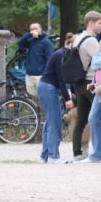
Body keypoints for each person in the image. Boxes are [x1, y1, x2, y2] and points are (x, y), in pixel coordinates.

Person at [70, 11, 101, 159]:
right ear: (91, 22)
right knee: (98, 117)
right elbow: (100, 61)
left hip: (79, 81)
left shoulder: (78, 38)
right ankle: (100, 150)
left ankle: (77, 152)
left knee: (82, 119)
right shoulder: (91, 40)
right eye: (100, 23)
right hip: (90, 82)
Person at [37, 35, 76, 163]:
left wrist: (68, 91)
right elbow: (61, 78)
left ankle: (45, 155)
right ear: (70, 44)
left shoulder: (62, 54)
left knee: (50, 122)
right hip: (48, 88)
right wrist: (67, 98)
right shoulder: (61, 55)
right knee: (55, 123)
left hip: (46, 87)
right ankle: (53, 156)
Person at [18, 22, 54, 99]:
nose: (34, 30)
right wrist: (29, 34)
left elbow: (50, 60)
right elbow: (20, 43)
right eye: (32, 29)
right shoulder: (31, 40)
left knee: (43, 98)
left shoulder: (47, 42)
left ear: (40, 29)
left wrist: (45, 75)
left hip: (40, 76)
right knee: (33, 99)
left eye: (36, 28)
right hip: (29, 74)